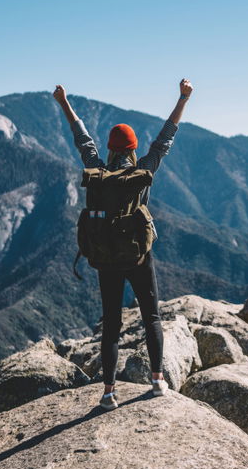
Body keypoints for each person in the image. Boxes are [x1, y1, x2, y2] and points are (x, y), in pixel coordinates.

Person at [52, 79, 193, 410]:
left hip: (106, 259)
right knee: (152, 317)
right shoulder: (143, 170)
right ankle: (158, 381)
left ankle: (108, 392)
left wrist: (63, 103)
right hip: (139, 256)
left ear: (111, 149)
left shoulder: (97, 171)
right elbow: (164, 140)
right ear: (132, 150)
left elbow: (82, 139)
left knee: (111, 325)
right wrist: (183, 98)